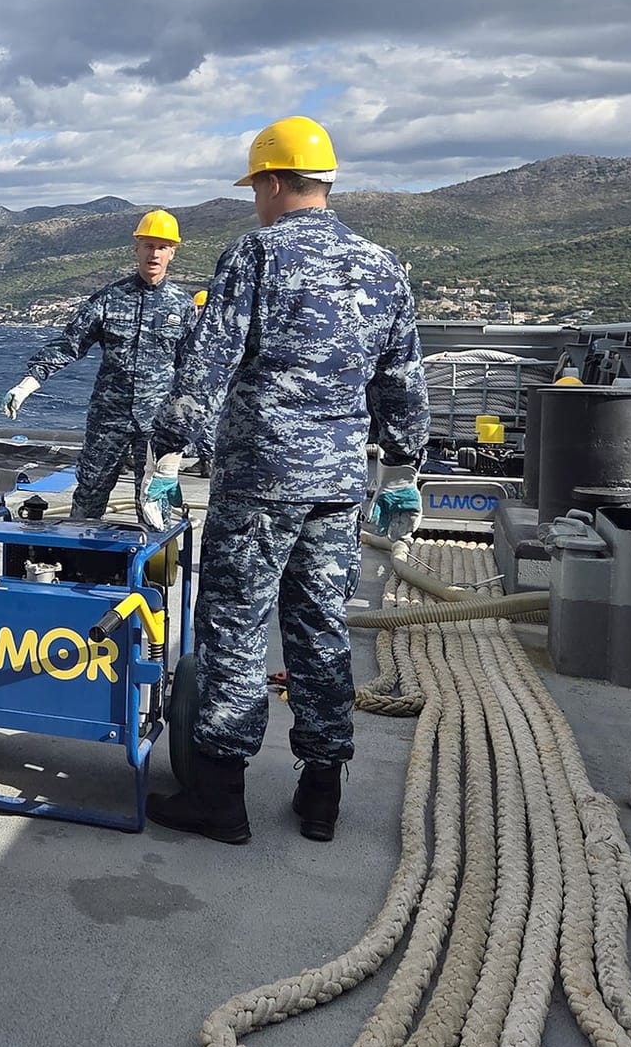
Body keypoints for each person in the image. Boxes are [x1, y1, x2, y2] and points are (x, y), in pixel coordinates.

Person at [143, 117, 428, 845]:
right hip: (338, 486)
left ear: (271, 182)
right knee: (321, 627)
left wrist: (166, 459)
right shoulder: (383, 265)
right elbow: (402, 383)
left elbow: (206, 365)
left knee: (235, 628)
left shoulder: (257, 254)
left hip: (260, 481)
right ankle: (321, 793)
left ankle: (219, 797)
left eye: (255, 189)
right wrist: (401, 472)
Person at [0, 211, 195, 519]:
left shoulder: (183, 306)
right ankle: (79, 550)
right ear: (136, 248)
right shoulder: (109, 299)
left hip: (156, 423)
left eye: (162, 246)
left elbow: (193, 370)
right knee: (89, 497)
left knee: (155, 507)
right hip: (108, 418)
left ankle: (155, 552)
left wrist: (187, 432)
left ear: (173, 252)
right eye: (148, 245)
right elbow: (70, 344)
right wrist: (28, 383)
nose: (154, 254)